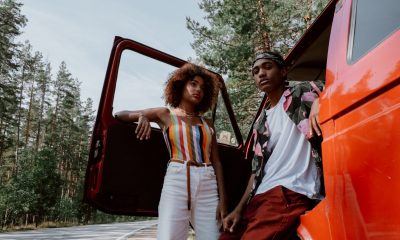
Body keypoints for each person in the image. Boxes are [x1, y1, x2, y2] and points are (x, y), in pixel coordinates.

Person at [114, 63, 227, 240]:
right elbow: (120, 114)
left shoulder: (208, 123)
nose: (198, 89)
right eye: (193, 83)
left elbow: (217, 162)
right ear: (180, 84)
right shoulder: (165, 114)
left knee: (214, 237)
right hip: (177, 179)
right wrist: (142, 115)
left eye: (203, 87)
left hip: (208, 182)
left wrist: (223, 201)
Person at [220, 51, 324, 240]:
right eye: (256, 70)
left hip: (289, 191)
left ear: (283, 71)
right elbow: (255, 171)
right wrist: (238, 210)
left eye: (268, 67)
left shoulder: (303, 91)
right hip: (260, 198)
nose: (261, 73)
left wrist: (320, 100)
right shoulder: (261, 122)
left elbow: (343, 84)